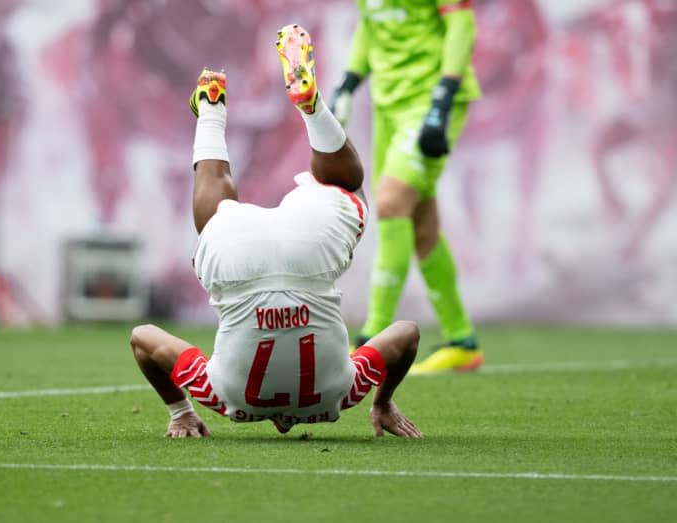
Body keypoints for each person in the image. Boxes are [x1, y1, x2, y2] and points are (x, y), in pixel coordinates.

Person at [130, 24, 423, 439]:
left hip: (310, 246)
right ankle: (212, 108)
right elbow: (144, 340)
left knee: (345, 186)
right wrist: (182, 409)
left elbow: (406, 335)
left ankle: (310, 109)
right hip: (240, 254)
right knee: (215, 217)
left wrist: (380, 399)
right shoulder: (225, 398)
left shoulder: (339, 395)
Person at [330, 0, 483, 374]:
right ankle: (462, 341)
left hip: (430, 102)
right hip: (388, 107)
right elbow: (371, 25)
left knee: (392, 202)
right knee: (422, 225)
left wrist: (444, 95)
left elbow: (462, 25)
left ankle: (371, 338)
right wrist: (349, 81)